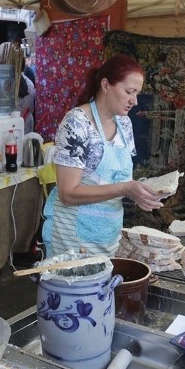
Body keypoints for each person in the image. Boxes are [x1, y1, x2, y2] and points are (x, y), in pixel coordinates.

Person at [42, 54, 163, 256]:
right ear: (106, 85)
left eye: (137, 94)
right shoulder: (77, 124)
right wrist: (125, 188)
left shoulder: (124, 123)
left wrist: (139, 193)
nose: (134, 101)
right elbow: (68, 194)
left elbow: (118, 181)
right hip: (72, 238)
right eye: (129, 92)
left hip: (107, 235)